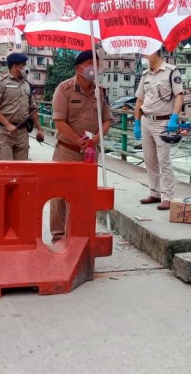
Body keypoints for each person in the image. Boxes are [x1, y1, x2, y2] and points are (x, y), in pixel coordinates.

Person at [49, 50, 112, 243]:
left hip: (91, 153)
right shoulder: (64, 89)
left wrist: (95, 139)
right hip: (67, 151)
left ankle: (80, 234)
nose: (94, 68)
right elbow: (59, 121)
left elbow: (107, 120)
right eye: (89, 64)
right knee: (60, 194)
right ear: (78, 68)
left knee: (85, 195)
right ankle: (59, 236)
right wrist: (79, 140)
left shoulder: (100, 92)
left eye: (96, 64)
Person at [133, 48, 184, 210]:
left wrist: (174, 117)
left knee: (164, 160)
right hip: (146, 120)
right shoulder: (145, 75)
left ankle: (167, 196)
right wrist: (136, 122)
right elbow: (139, 100)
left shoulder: (171, 71)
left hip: (163, 122)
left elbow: (180, 96)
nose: (143, 57)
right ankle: (154, 192)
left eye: (145, 54)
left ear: (154, 53)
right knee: (149, 159)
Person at [0, 52, 44, 160]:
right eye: (23, 64)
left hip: (22, 133)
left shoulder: (27, 85)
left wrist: (39, 129)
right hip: (5, 132)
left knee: (21, 169)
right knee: (6, 169)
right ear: (14, 66)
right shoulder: (1, 83)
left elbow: (32, 108)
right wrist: (7, 124)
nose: (26, 67)